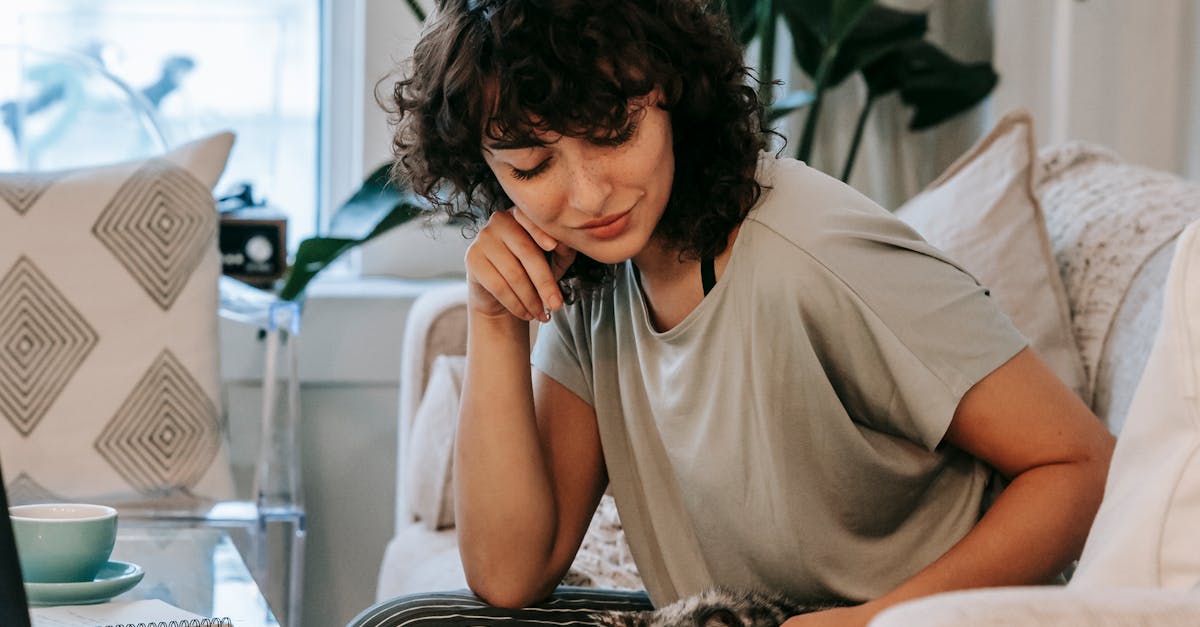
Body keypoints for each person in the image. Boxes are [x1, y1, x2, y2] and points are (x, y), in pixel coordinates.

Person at [350, 1, 1116, 625]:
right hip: (747, 616)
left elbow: (1082, 466)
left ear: (673, 96)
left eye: (613, 132)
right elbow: (513, 572)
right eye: (532, 165)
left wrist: (878, 620)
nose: (587, 197)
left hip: (921, 618)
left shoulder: (811, 249)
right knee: (409, 621)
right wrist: (494, 318)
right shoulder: (593, 278)